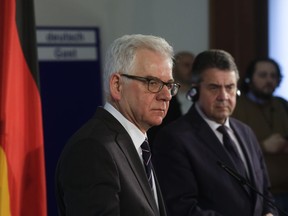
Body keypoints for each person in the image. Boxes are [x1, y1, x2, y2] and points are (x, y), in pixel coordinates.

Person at [55, 34, 180, 216]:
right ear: (117, 85)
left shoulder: (137, 145)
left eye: (169, 85)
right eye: (152, 82)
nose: (166, 95)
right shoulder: (92, 149)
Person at [152, 49, 278, 216]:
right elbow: (182, 209)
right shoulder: (173, 138)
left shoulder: (246, 132)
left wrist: (269, 213)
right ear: (194, 92)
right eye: (214, 87)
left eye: (230, 87)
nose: (224, 96)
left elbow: (265, 193)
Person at [232, 57, 288, 212]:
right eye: (263, 75)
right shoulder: (236, 106)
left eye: (273, 76)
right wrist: (262, 146)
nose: (269, 80)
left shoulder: (282, 104)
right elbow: (228, 148)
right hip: (258, 194)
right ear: (250, 78)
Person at [148, 51, 194, 143]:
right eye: (186, 65)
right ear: (174, 67)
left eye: (194, 65)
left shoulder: (201, 97)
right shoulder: (161, 96)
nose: (191, 69)